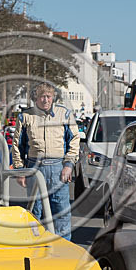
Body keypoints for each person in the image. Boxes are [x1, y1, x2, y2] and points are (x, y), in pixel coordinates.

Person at [12, 83, 80, 240]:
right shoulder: (25, 117)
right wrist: (20, 171)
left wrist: (69, 164)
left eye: (49, 96)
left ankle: (63, 247)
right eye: (42, 96)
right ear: (36, 98)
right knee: (35, 212)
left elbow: (74, 140)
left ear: (53, 97)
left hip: (58, 169)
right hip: (34, 168)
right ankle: (36, 247)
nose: (45, 100)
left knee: (61, 211)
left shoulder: (64, 114)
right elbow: (16, 146)